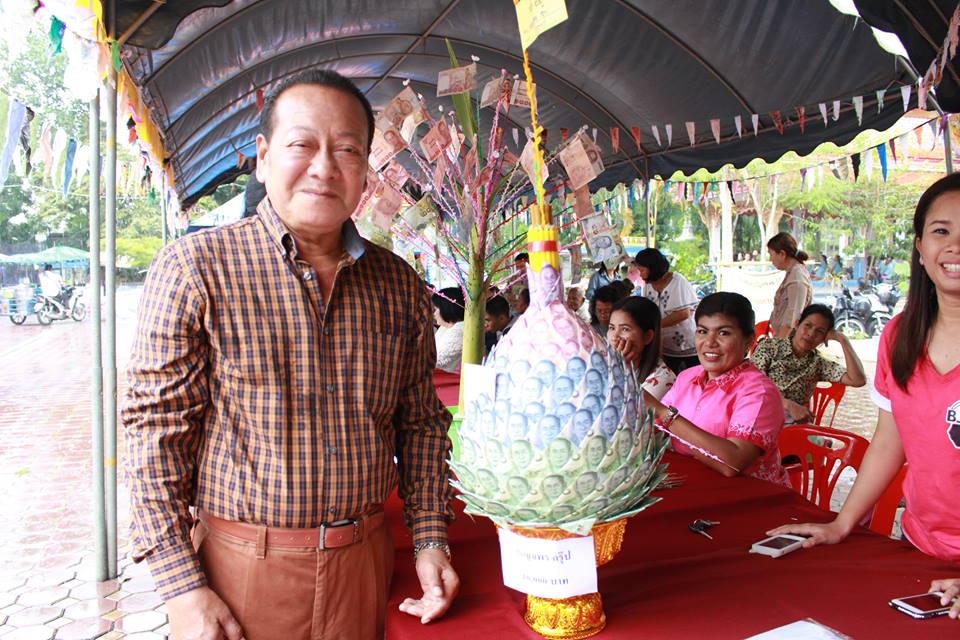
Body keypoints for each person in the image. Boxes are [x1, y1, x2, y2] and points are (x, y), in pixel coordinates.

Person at [122, 69, 458, 640]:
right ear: (263, 156)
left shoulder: (399, 284)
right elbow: (154, 435)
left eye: (347, 150)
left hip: (364, 564)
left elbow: (421, 423)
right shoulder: (196, 268)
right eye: (302, 144)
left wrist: (430, 538)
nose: (324, 167)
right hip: (240, 570)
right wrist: (181, 586)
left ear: (366, 170)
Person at [769, 173, 960, 619]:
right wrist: (842, 524)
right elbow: (890, 441)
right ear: (920, 246)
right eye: (941, 231)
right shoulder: (900, 336)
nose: (955, 247)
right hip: (921, 547)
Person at [646, 292, 789, 486]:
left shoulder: (759, 392)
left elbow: (732, 463)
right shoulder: (687, 378)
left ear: (748, 341)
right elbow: (655, 429)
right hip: (696, 483)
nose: (710, 342)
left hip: (751, 495)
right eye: (702, 331)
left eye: (724, 333)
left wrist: (664, 413)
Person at [751, 304, 866, 424]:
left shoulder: (819, 364)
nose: (811, 334)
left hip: (794, 424)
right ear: (797, 324)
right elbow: (751, 386)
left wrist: (843, 340)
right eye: (808, 325)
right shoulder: (769, 347)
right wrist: (788, 405)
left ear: (825, 338)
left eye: (820, 331)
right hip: (758, 417)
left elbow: (857, 380)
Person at [633, 248, 699, 374]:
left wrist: (656, 325)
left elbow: (683, 313)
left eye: (642, 270)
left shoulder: (677, 281)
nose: (640, 274)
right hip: (664, 346)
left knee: (691, 378)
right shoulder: (647, 285)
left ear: (653, 268)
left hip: (686, 345)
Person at [607, 296, 676, 403]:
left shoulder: (662, 378)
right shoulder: (607, 362)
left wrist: (617, 369)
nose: (614, 336)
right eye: (611, 328)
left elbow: (624, 409)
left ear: (647, 336)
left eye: (625, 329)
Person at [767, 232, 812, 338]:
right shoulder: (792, 273)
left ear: (782, 254)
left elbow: (791, 319)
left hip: (788, 340)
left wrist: (779, 344)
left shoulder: (797, 276)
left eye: (771, 254)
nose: (770, 259)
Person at [433, 286, 465, 372]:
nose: (434, 313)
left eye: (436, 309)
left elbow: (439, 361)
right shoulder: (445, 327)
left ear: (446, 308)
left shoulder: (459, 330)